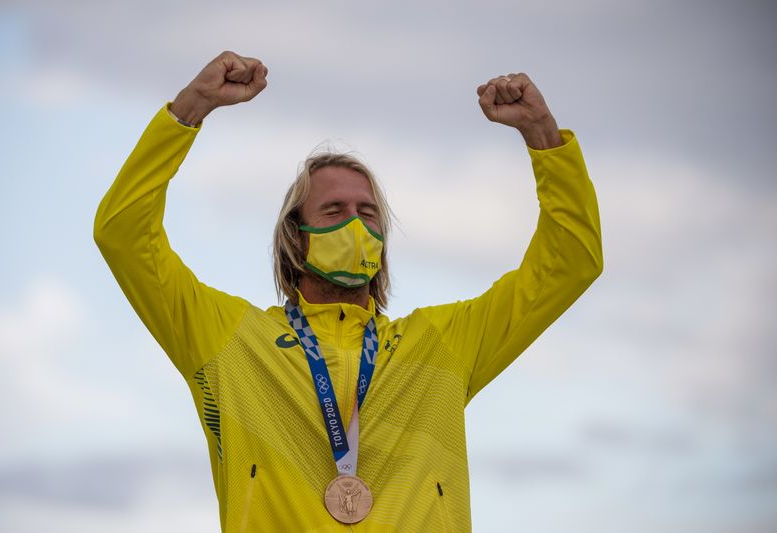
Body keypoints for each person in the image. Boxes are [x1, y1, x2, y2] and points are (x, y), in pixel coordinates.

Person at [94, 50, 603, 532]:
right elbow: (124, 233)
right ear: (296, 236)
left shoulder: (443, 341)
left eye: (368, 213)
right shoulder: (229, 339)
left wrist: (543, 135)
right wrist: (190, 108)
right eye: (334, 212)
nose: (356, 226)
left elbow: (570, 263)